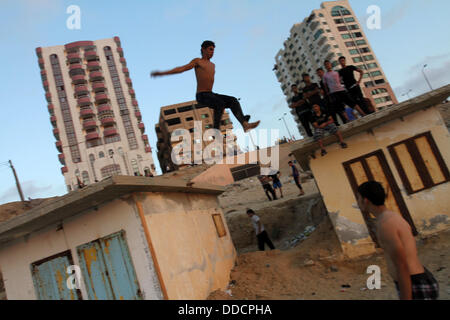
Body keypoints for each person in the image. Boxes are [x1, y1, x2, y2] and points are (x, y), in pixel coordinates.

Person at [151, 41, 260, 132]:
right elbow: (182, 69)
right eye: (210, 49)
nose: (212, 52)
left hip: (211, 94)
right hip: (202, 95)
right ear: (203, 49)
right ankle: (216, 130)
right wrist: (162, 73)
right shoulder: (198, 61)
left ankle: (245, 124)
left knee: (233, 101)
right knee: (220, 104)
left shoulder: (213, 65)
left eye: (213, 50)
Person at [356, 181, 439, 300]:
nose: (357, 202)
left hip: (413, 284)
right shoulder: (388, 217)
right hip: (414, 281)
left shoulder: (386, 224)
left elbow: (402, 264)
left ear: (366, 200)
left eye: (358, 198)